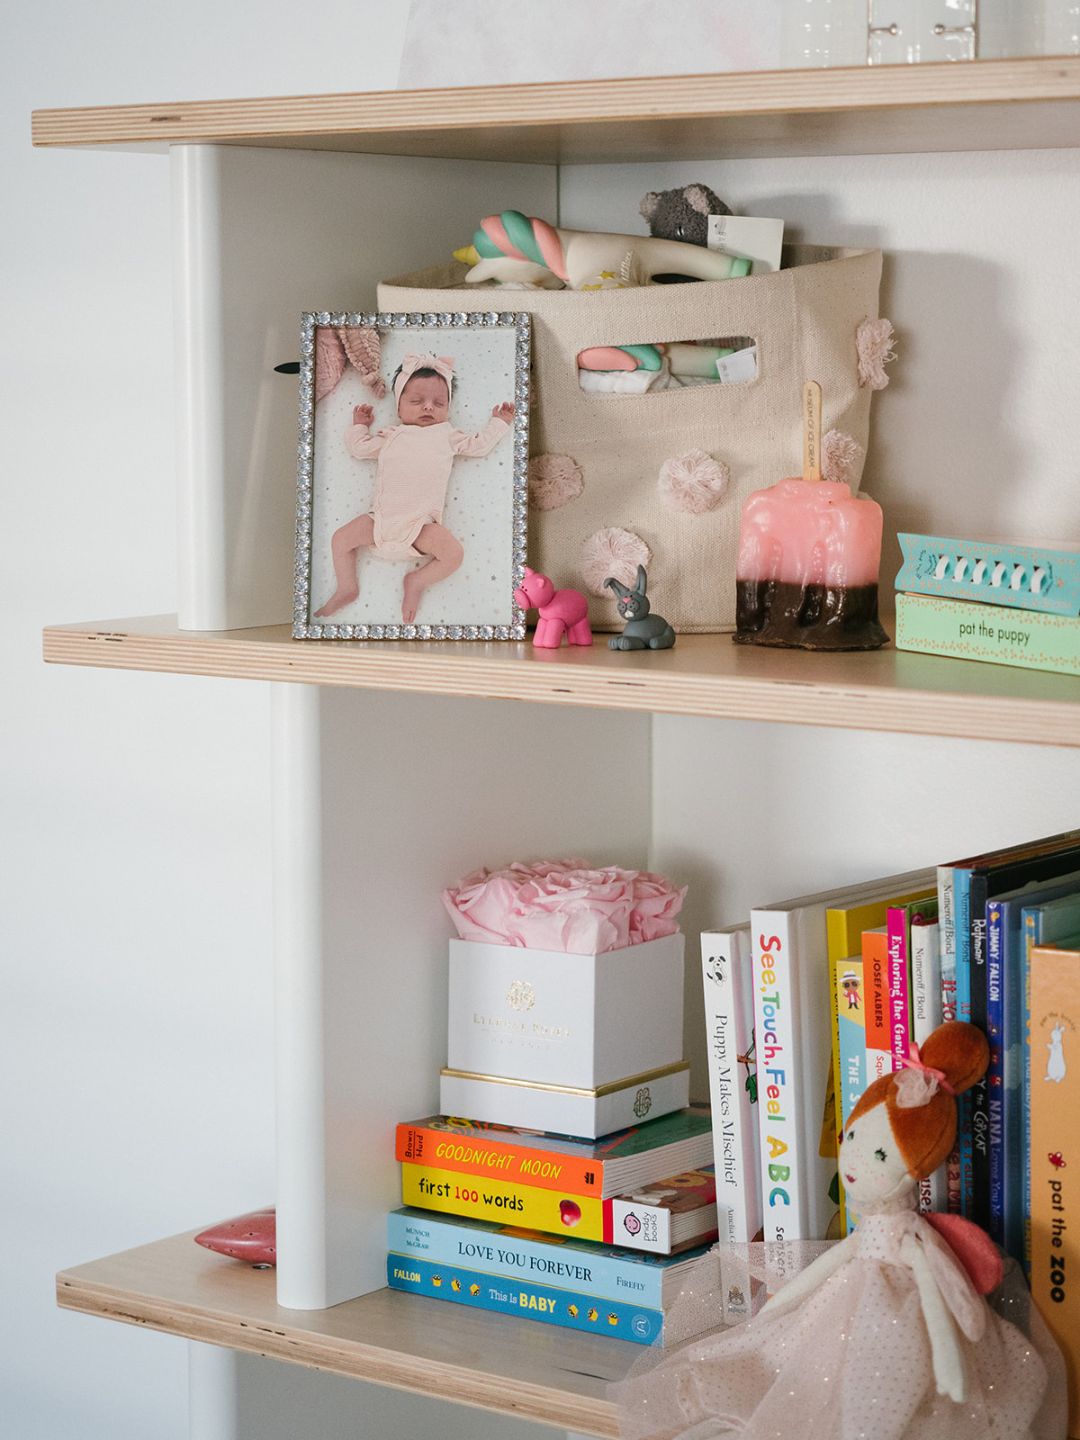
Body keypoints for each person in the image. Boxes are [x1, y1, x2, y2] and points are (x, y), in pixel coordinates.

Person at [614, 1020, 1065, 1440]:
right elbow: (833, 1261)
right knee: (786, 1354)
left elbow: (934, 1285)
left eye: (881, 1157)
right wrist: (778, 1306)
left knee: (884, 1384)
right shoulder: (868, 1229)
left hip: (897, 1322)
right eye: (851, 1140)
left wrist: (950, 1362)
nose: (853, 1163)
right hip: (839, 1304)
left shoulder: (911, 1233)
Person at [315, 352, 514, 623]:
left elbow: (479, 446)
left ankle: (417, 581)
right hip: (379, 521)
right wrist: (359, 427)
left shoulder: (447, 435)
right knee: (340, 539)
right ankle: (346, 586)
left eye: (438, 403)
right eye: (417, 401)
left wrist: (498, 423)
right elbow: (359, 449)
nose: (428, 407)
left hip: (421, 526)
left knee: (454, 554)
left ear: (448, 408)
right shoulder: (391, 435)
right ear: (398, 408)